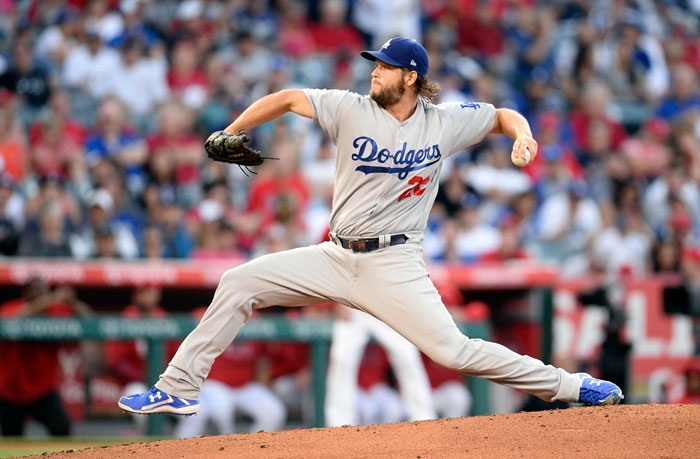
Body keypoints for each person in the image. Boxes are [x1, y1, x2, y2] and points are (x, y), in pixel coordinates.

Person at [119, 37, 623, 417]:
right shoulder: (350, 108)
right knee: (238, 282)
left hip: (395, 262)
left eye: (382, 67)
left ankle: (571, 386)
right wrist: (234, 130)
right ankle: (179, 388)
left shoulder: (444, 121)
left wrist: (524, 135)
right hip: (335, 256)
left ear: (410, 76)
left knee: (456, 352)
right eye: (374, 65)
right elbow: (291, 97)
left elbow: (502, 115)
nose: (373, 72)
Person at [0, 277, 92, 436]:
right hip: (10, 389)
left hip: (42, 389)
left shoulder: (55, 310)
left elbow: (90, 320)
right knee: (12, 436)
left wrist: (73, 303)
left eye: (43, 290)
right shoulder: (11, 307)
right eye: (35, 289)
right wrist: (50, 299)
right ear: (25, 292)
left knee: (61, 427)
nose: (40, 294)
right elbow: (18, 317)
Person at [325, 305, 436, 427]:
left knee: (407, 358)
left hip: (385, 300)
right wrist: (332, 300)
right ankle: (338, 426)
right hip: (352, 300)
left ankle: (424, 420)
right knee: (342, 361)